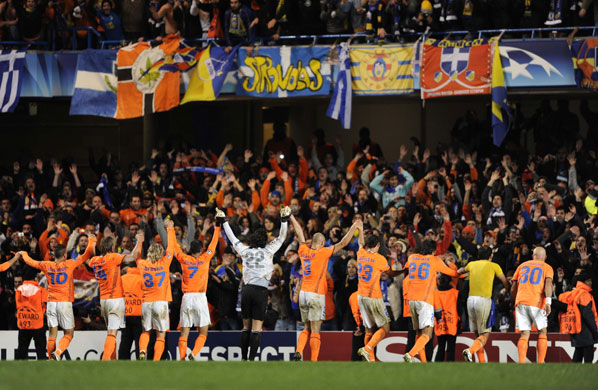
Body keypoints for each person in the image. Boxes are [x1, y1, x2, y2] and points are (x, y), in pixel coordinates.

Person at [222, 206, 290, 361]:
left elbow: (233, 238)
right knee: (256, 329)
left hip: (246, 290)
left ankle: (244, 358)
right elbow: (282, 237)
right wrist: (284, 221)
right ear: (264, 240)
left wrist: (224, 222)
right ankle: (252, 360)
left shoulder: (245, 251)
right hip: (261, 291)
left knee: (246, 327)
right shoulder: (269, 251)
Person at [290, 214, 358, 361]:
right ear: (321, 243)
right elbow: (343, 242)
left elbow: (299, 231)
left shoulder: (303, 251)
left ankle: (299, 351)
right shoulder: (323, 252)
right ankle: (314, 360)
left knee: (306, 327)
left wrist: (290, 216)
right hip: (316, 294)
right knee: (315, 330)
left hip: (303, 294)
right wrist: (354, 226)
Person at [19, 236, 95, 360]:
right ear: (65, 255)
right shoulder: (70, 263)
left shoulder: (47, 265)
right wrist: (91, 239)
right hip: (64, 303)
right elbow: (87, 254)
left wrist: (24, 253)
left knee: (52, 335)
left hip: (51, 303)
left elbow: (31, 262)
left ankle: (50, 358)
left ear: (54, 255)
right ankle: (58, 352)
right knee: (69, 333)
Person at [87, 231, 144, 360]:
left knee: (110, 333)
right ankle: (105, 361)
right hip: (115, 300)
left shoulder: (95, 261)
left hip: (104, 300)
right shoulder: (113, 257)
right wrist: (139, 241)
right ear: (112, 247)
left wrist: (92, 242)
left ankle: (112, 361)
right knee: (113, 333)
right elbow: (133, 256)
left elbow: (89, 258)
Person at [174, 210, 223, 361]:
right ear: (201, 250)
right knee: (203, 332)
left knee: (184, 332)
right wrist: (218, 226)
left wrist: (170, 230)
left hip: (187, 298)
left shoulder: (183, 259)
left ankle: (182, 358)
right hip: (201, 297)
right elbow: (214, 244)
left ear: (190, 249)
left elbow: (175, 248)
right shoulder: (205, 258)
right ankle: (193, 354)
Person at [403, 239, 459, 363]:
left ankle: (424, 363)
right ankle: (410, 354)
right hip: (425, 301)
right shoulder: (435, 261)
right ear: (434, 251)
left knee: (418, 334)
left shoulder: (412, 258)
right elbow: (453, 274)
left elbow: (407, 265)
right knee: (427, 334)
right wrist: (449, 263)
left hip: (411, 301)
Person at [356, 220, 399, 363]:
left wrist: (360, 229)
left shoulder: (360, 253)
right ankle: (368, 349)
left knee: (369, 329)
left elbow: (360, 243)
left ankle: (370, 360)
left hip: (361, 296)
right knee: (385, 327)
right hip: (373, 296)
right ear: (378, 245)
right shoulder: (379, 259)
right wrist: (401, 268)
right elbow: (390, 273)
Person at [459, 246, 510, 363]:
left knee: (478, 335)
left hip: (470, 300)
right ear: (490, 256)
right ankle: (470, 351)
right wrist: (509, 290)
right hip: (483, 300)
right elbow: (504, 281)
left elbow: (459, 271)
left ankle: (481, 363)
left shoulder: (471, 264)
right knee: (485, 335)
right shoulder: (494, 266)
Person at [137, 218, 177, 361]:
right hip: (161, 303)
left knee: (145, 331)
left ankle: (142, 350)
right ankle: (156, 360)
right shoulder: (165, 262)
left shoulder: (141, 264)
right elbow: (171, 248)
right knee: (161, 334)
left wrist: (139, 241)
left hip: (146, 302)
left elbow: (136, 255)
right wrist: (170, 229)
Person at [511, 247, 554, 364]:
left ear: (533, 256)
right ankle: (540, 363)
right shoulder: (547, 267)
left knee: (524, 333)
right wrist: (548, 302)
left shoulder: (522, 265)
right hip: (537, 301)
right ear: (545, 257)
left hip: (521, 301)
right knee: (542, 331)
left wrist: (514, 300)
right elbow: (548, 284)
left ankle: (521, 363)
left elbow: (513, 287)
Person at [558, 271, 598, 363]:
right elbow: (587, 315)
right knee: (588, 357)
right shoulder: (584, 294)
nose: (591, 282)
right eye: (589, 280)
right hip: (585, 330)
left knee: (578, 353)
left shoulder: (573, 293)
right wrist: (595, 330)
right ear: (584, 282)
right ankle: (585, 376)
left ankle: (574, 374)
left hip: (575, 328)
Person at [15, 270, 48, 360]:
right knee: (41, 352)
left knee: (21, 351)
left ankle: (16, 372)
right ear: (34, 278)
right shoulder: (40, 290)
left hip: (24, 323)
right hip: (37, 324)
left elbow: (18, 305)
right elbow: (46, 303)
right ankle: (42, 373)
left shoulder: (19, 289)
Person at [119, 262, 144, 360]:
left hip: (125, 313)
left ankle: (122, 363)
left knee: (125, 341)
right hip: (139, 314)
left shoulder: (121, 279)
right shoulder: (142, 279)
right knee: (139, 341)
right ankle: (140, 363)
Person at [433, 273, 459, 362]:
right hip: (452, 323)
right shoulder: (455, 293)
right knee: (451, 348)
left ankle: (437, 368)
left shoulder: (435, 293)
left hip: (439, 323)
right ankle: (450, 369)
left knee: (441, 346)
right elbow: (459, 310)